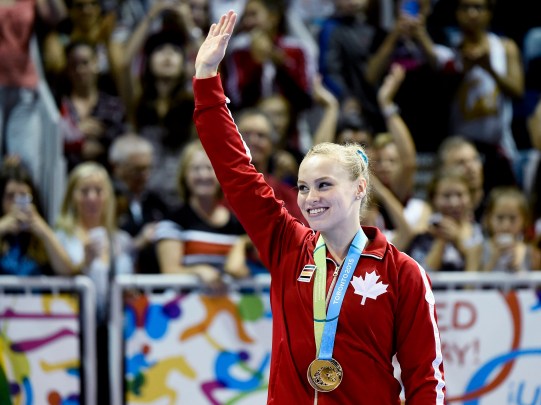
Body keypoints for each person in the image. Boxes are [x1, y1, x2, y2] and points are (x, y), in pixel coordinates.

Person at [192, 11, 445, 403]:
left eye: (325, 185)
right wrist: (208, 81)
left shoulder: (403, 274)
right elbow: (236, 172)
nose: (310, 198)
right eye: (304, 187)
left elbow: (426, 379)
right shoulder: (287, 246)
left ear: (360, 188)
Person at [155, 140, 249, 290]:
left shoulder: (238, 223)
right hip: (184, 310)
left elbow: (245, 268)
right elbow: (169, 272)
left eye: (209, 168)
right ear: (184, 176)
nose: (203, 175)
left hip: (229, 309)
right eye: (196, 169)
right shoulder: (172, 221)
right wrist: (198, 271)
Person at [109, 133, 169, 273]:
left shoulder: (156, 201)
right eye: (137, 170)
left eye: (148, 168)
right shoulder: (106, 199)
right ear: (116, 168)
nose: (145, 175)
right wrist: (137, 243)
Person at [0, 161, 71, 276]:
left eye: (23, 196)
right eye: (10, 196)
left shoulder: (41, 236)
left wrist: (44, 231)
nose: (17, 202)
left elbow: (66, 270)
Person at [407, 170, 484, 272]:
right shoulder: (424, 232)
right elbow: (421, 275)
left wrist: (457, 241)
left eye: (460, 195)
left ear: (470, 197)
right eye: (446, 196)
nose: (454, 203)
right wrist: (441, 240)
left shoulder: (479, 232)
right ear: (433, 199)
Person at [480, 186, 541, 272]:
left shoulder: (530, 252)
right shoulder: (480, 249)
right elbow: (474, 283)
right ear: (488, 219)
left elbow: (532, 283)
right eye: (500, 218)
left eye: (512, 218)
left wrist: (517, 267)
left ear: (525, 220)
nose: (506, 226)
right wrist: (493, 260)